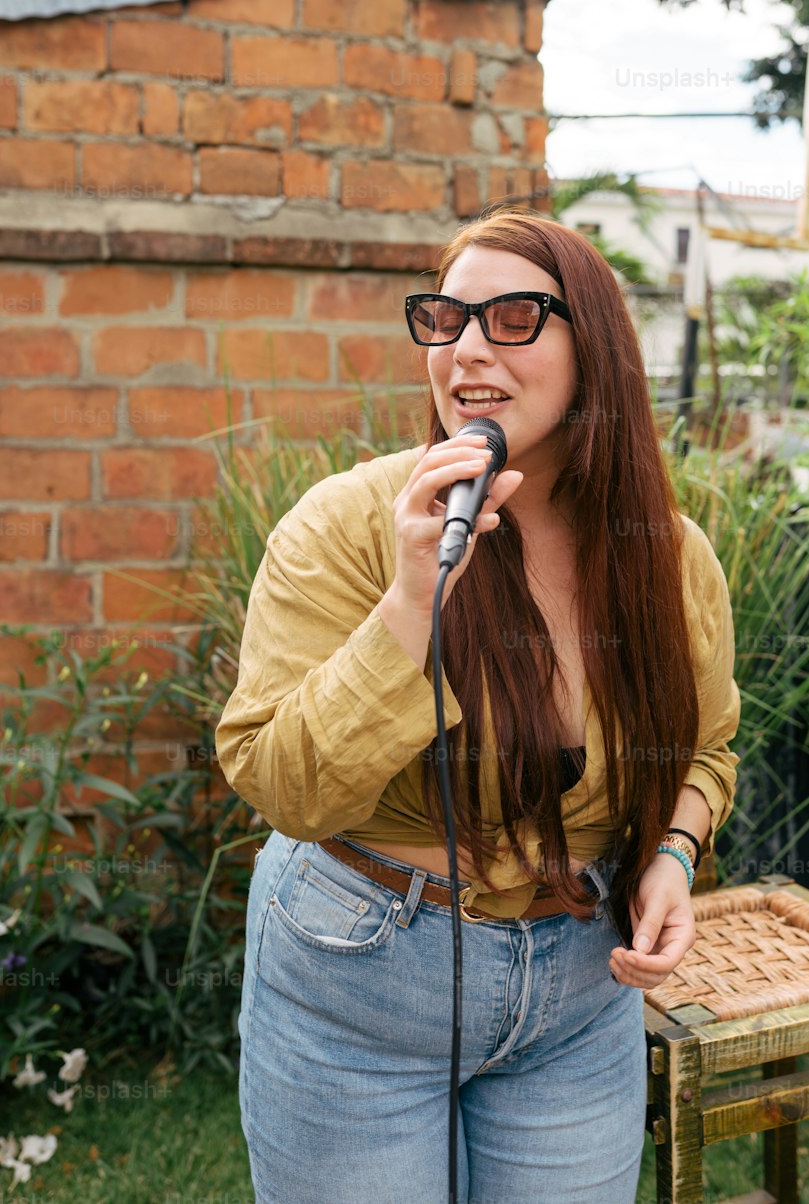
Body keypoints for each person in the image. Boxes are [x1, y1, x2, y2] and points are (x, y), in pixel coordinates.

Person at [216, 207, 741, 1204]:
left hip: (582, 993)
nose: (463, 351)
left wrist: (671, 856)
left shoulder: (664, 557)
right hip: (358, 981)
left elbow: (707, 745)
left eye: (510, 318)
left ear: (598, 351)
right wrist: (411, 606)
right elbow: (283, 787)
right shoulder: (343, 528)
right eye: (444, 320)